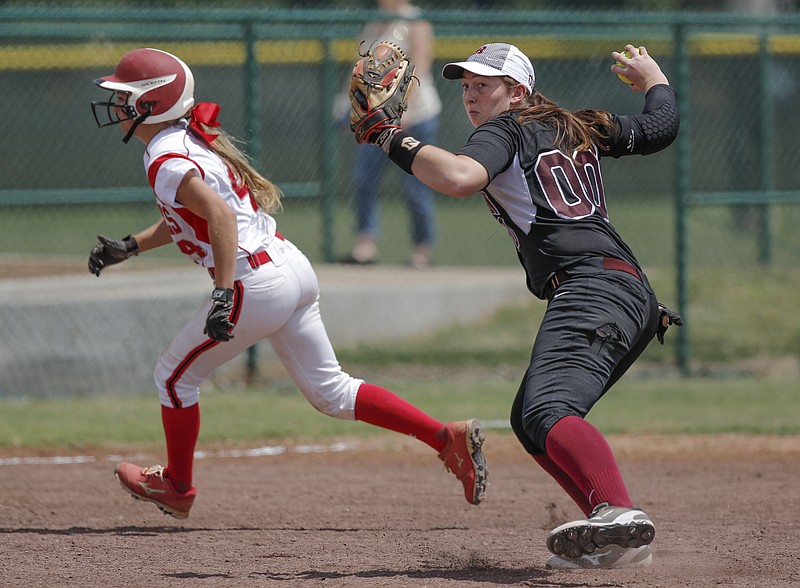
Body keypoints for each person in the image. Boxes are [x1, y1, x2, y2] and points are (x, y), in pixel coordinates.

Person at [87, 47, 487, 519]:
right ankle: (446, 438)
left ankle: (177, 487)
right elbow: (195, 220)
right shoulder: (185, 141)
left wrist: (221, 292)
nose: (116, 105)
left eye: (124, 95)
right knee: (333, 393)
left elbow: (218, 217)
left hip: (254, 281)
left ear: (150, 103)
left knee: (173, 378)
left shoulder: (165, 155)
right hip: (287, 266)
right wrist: (130, 246)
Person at [349, 42, 681, 569]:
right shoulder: (579, 126)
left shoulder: (504, 130)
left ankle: (618, 513)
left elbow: (458, 178)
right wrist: (655, 78)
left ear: (518, 91)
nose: (472, 95)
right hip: (625, 291)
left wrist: (388, 136)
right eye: (465, 86)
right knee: (529, 421)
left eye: (485, 84)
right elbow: (661, 126)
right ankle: (612, 532)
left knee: (549, 409)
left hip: (592, 287)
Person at [344, 0, 442, 268]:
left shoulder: (414, 19)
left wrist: (405, 109)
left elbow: (420, 67)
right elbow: (362, 69)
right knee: (365, 178)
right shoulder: (374, 22)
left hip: (416, 117)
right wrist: (349, 104)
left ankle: (421, 251)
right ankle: (366, 246)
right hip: (377, 117)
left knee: (415, 185)